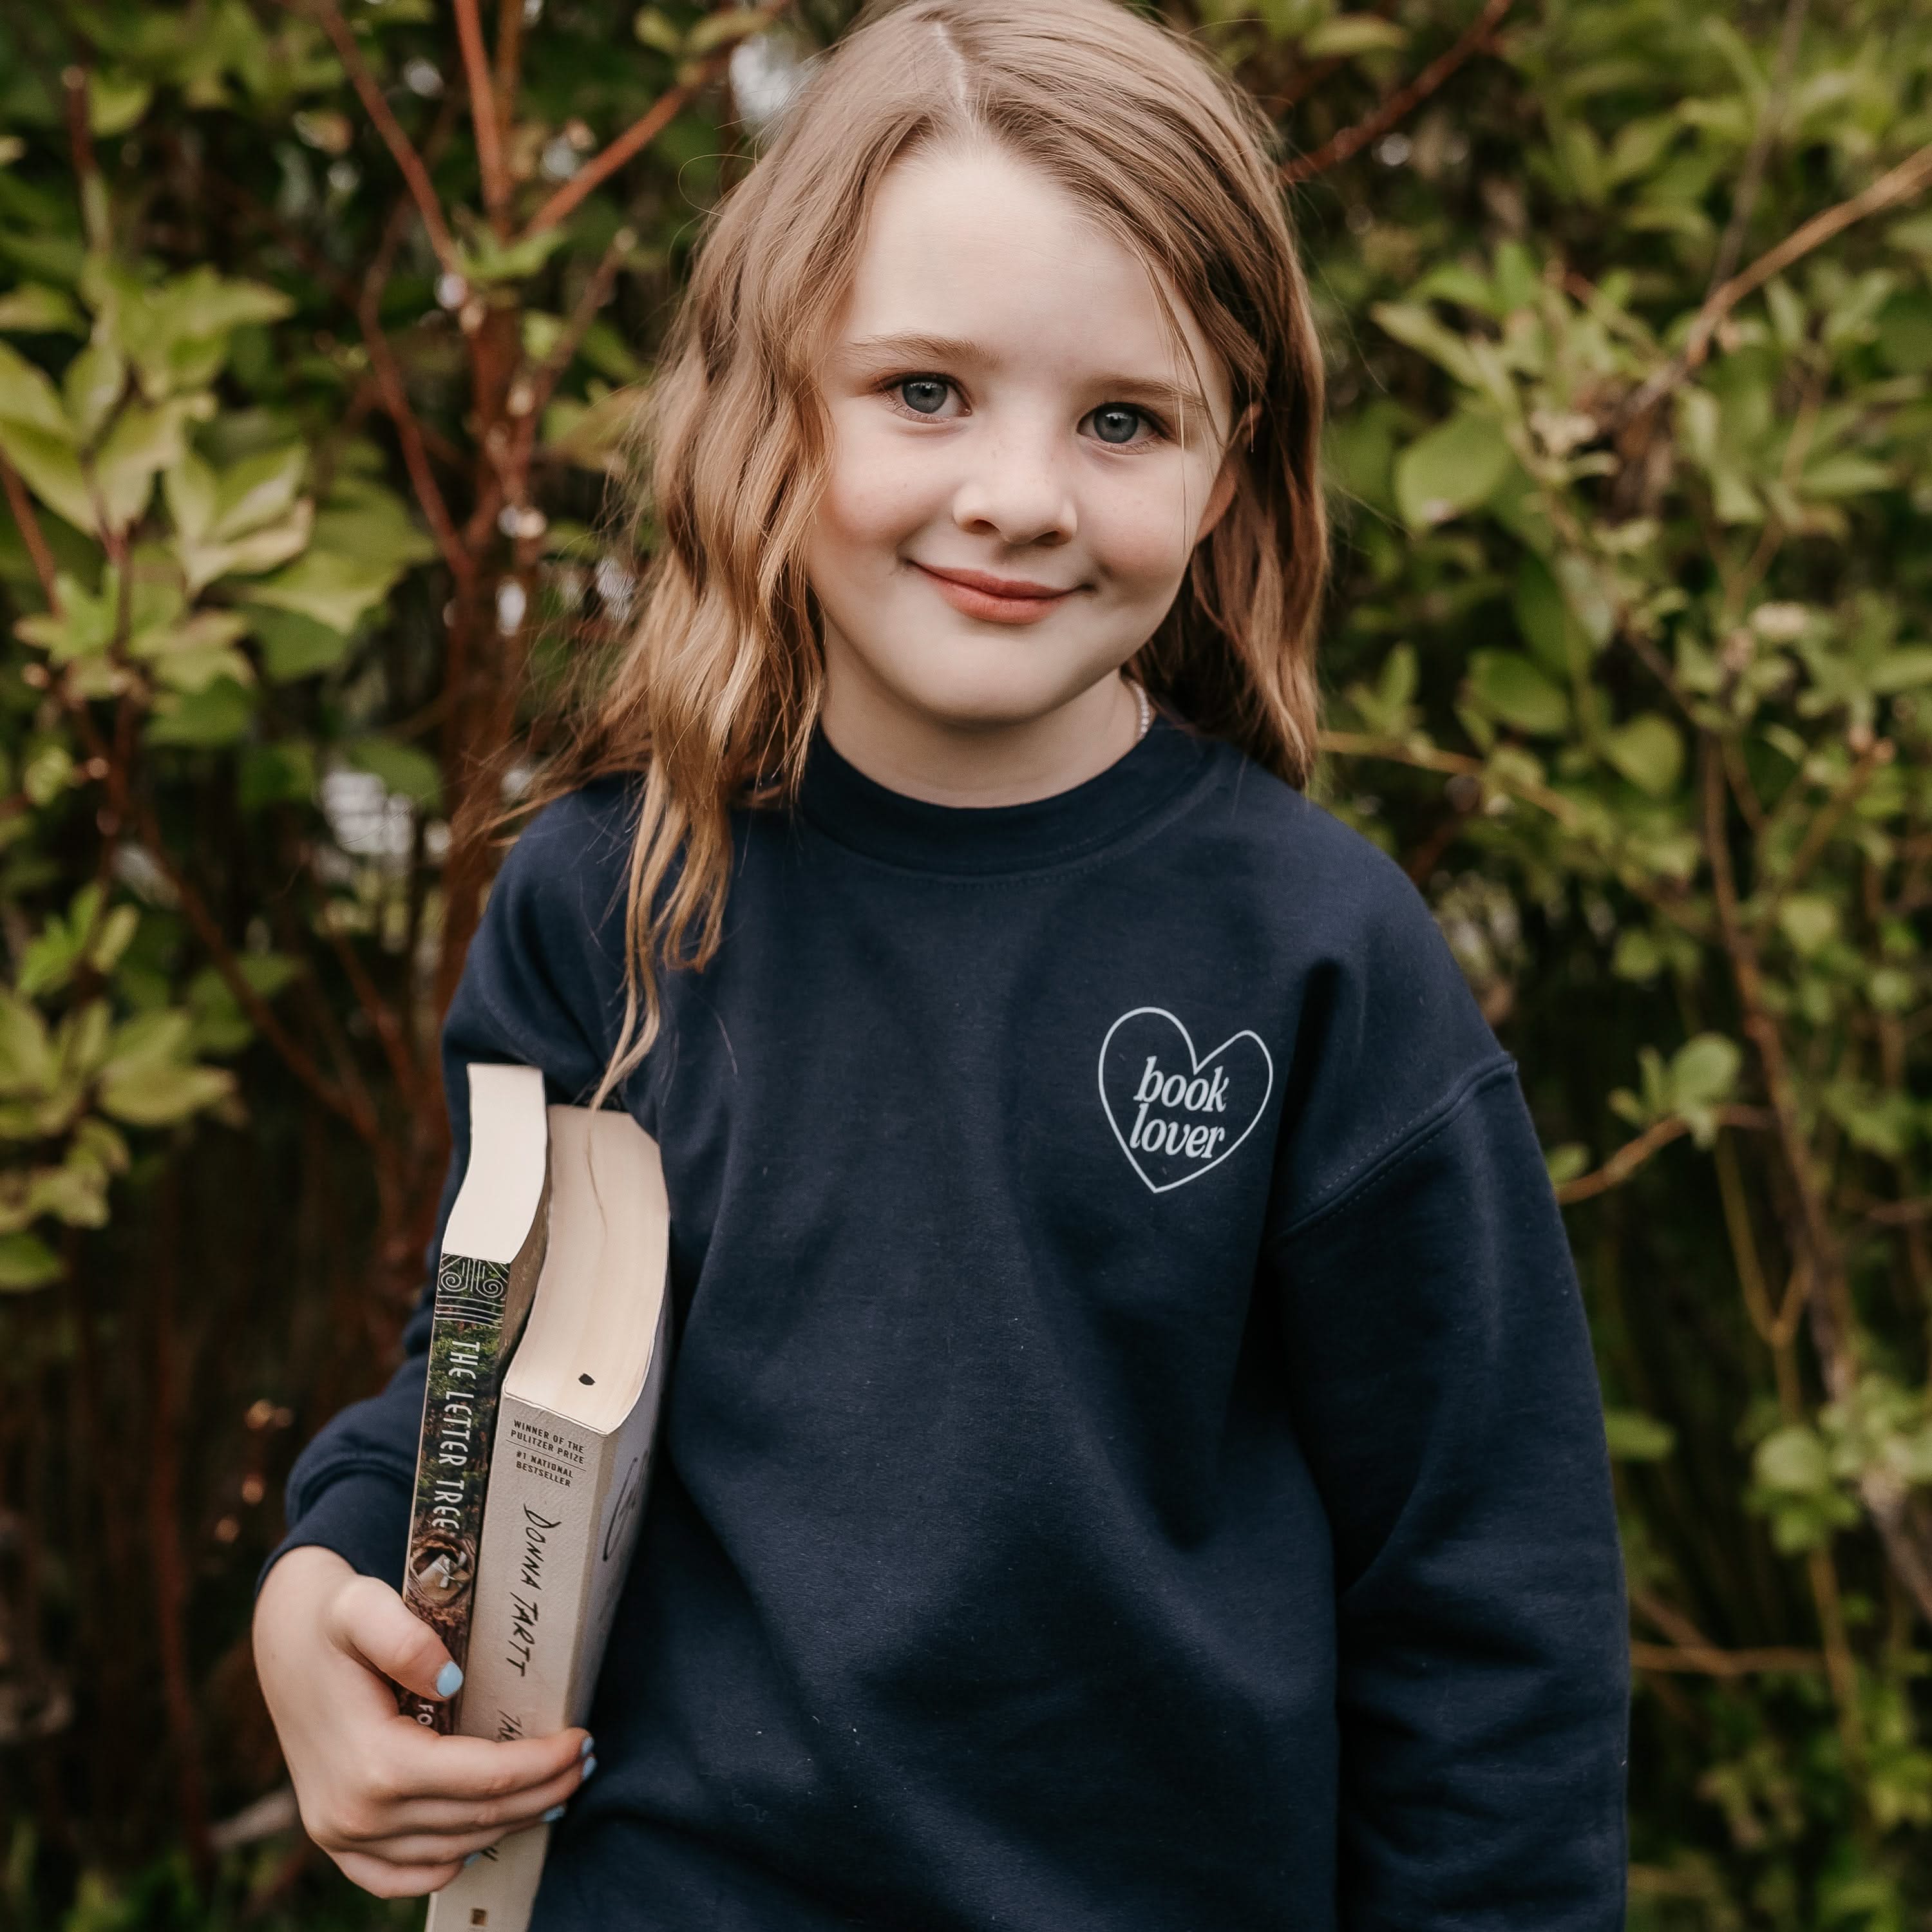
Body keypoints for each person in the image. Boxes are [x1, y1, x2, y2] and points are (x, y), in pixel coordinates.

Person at [251, 0, 1631, 1923]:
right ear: (775, 400)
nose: (1020, 496)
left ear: (1227, 465)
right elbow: (472, 1391)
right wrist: (315, 1601)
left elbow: (1493, 1614)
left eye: (1123, 420)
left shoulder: (1323, 963)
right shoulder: (610, 901)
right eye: (924, 391)